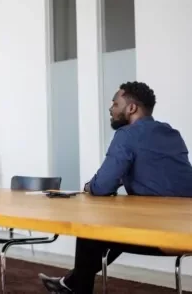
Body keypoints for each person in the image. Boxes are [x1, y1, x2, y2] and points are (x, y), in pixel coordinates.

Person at [39, 81, 192, 293]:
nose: (111, 109)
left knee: (90, 231)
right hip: (186, 231)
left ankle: (75, 286)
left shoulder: (127, 135)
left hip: (161, 235)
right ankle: (70, 283)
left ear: (131, 108)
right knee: (107, 232)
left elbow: (102, 186)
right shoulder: (172, 134)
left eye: (115, 103)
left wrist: (89, 185)